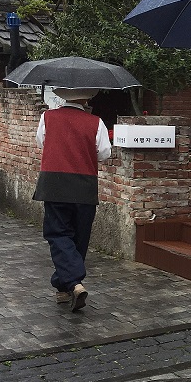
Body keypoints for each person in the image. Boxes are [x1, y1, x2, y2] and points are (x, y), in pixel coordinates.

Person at [34, 87, 112, 311]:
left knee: (58, 234)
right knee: (79, 238)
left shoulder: (47, 117)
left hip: (54, 184)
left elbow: (42, 143)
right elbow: (104, 153)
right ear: (86, 97)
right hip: (84, 186)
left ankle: (72, 282)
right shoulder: (95, 122)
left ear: (62, 95)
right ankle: (65, 287)